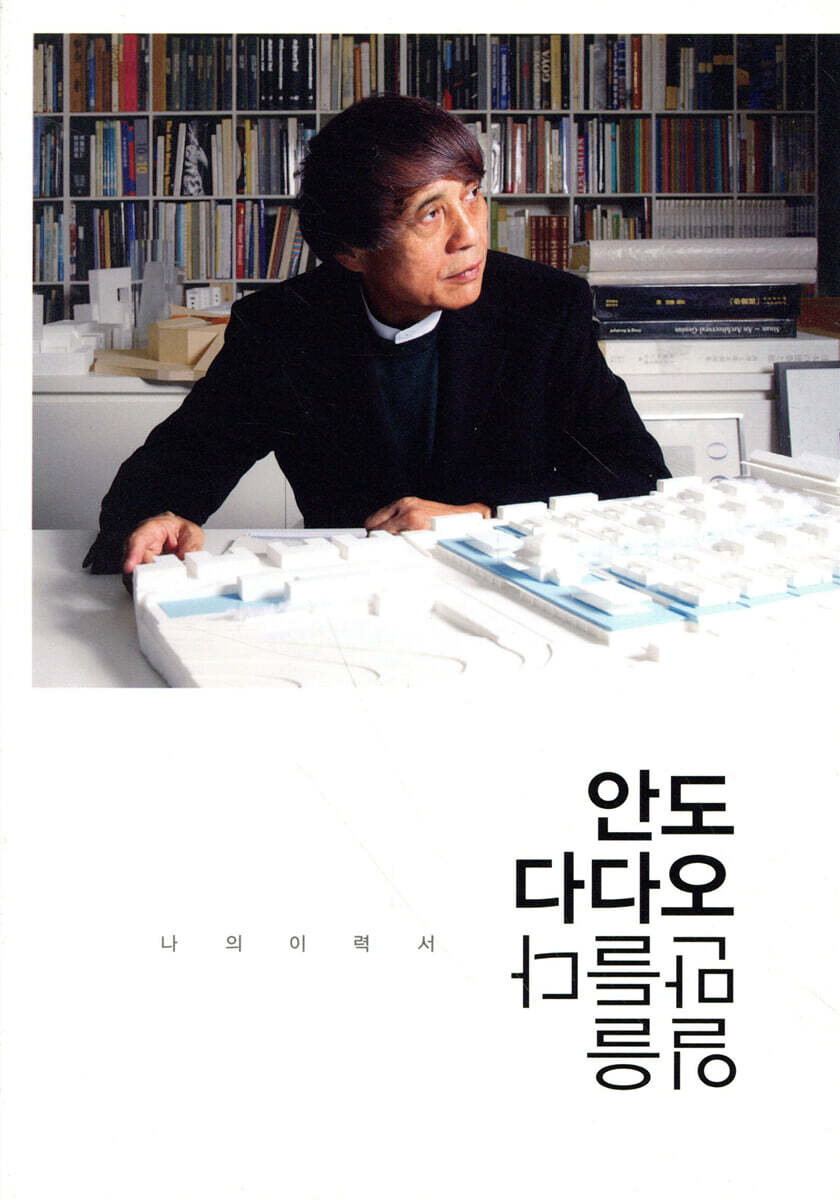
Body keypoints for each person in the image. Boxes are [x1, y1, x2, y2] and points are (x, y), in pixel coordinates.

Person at [84, 94, 668, 576]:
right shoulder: (282, 327)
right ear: (351, 251)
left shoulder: (544, 306)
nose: (469, 234)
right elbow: (175, 468)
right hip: (352, 597)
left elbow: (638, 480)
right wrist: (158, 520)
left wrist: (483, 516)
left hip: (516, 581)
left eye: (471, 194)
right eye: (430, 213)